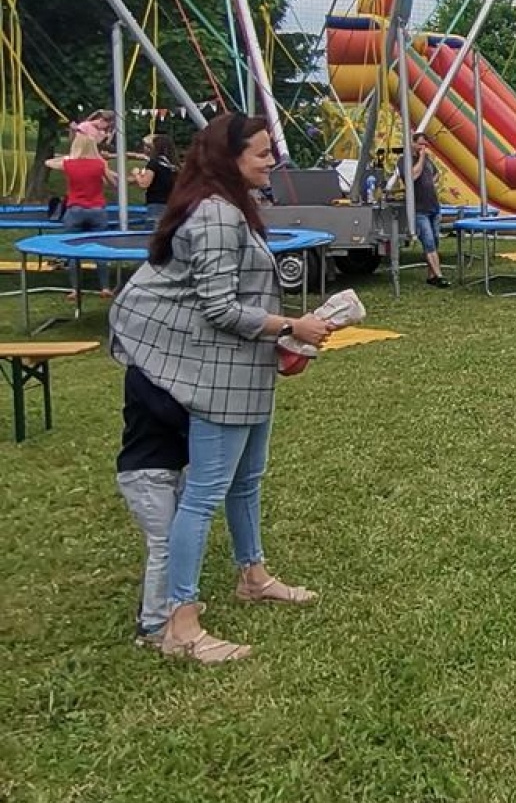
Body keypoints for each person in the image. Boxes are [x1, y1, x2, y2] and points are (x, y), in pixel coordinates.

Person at [108, 113, 338, 663]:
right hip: (215, 381)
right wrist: (290, 326)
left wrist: (283, 341)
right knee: (205, 494)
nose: (270, 162)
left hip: (243, 375)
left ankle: (253, 576)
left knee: (245, 483)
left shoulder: (233, 209)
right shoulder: (214, 214)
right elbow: (218, 308)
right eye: (260, 153)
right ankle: (180, 625)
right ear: (228, 158)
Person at [116, 366, 189, 648]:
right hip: (145, 473)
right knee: (163, 543)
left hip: (168, 469)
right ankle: (153, 625)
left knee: (169, 541)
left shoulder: (165, 367)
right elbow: (170, 413)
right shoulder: (141, 372)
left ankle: (163, 605)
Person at [45, 130, 116, 297]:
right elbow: (113, 184)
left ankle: (75, 289)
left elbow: (48, 162)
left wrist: (68, 157)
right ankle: (105, 287)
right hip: (97, 210)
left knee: (73, 251)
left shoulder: (69, 164)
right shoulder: (99, 164)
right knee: (100, 249)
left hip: (75, 209)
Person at [410, 134, 449, 288]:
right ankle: (439, 276)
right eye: (420, 144)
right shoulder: (406, 162)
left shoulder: (428, 161)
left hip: (433, 207)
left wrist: (430, 183)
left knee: (435, 241)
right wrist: (420, 157)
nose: (423, 148)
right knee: (429, 241)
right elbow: (414, 175)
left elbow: (437, 173)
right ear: (413, 144)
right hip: (420, 210)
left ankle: (431, 275)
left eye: (425, 145)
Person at [134, 133, 178, 211]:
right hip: (172, 204)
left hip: (156, 204)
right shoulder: (173, 165)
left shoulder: (154, 163)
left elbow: (143, 184)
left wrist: (136, 174)